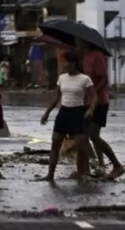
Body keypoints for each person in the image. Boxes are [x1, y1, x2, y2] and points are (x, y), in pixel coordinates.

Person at [38, 51, 96, 182]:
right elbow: (56, 97)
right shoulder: (62, 78)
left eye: (66, 62)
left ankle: (82, 173)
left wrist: (91, 110)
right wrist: (47, 112)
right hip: (64, 112)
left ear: (73, 63)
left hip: (78, 113)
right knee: (55, 142)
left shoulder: (84, 79)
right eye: (63, 62)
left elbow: (94, 97)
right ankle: (50, 175)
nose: (64, 65)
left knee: (80, 145)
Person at [77, 38, 124, 180]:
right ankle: (90, 168)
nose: (76, 43)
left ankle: (116, 165)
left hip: (100, 102)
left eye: (78, 41)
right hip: (87, 102)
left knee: (93, 135)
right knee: (82, 136)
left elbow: (104, 79)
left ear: (85, 41)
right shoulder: (83, 56)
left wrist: (93, 92)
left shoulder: (97, 55)